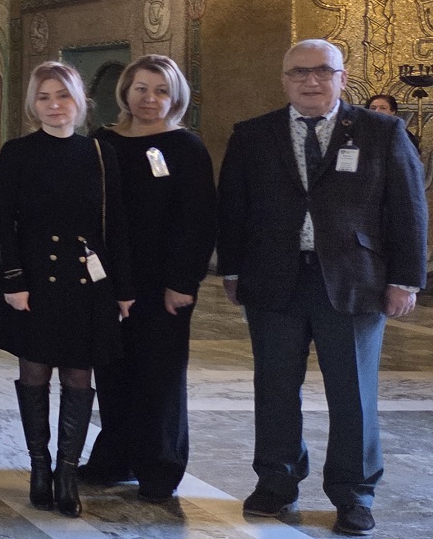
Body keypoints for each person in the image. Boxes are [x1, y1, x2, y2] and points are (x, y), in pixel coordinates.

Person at [219, 40, 426, 537]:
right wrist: (232, 270)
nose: (310, 81)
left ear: (342, 77)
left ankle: (354, 494)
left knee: (354, 393)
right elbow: (233, 208)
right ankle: (276, 481)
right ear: (284, 79)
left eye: (322, 71)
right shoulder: (253, 135)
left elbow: (408, 207)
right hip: (274, 279)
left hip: (355, 281)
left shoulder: (382, 131)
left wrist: (405, 279)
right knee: (274, 388)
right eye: (298, 72)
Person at [0, 60, 133, 519]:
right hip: (33, 281)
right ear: (34, 104)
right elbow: (2, 221)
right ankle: (39, 467)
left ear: (80, 101)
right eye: (44, 97)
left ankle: (67, 472)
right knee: (34, 372)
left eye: (63, 95)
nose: (54, 105)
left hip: (86, 283)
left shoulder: (101, 154)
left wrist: (123, 289)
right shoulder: (17, 152)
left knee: (78, 375)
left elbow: (116, 226)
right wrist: (12, 280)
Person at [80, 55, 215, 503]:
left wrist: (183, 281)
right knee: (113, 371)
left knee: (159, 375)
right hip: (109, 278)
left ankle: (160, 467)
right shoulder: (103, 141)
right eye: (141, 88)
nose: (150, 99)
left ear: (175, 97)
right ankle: (115, 457)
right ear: (126, 92)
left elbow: (198, 220)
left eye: (161, 90)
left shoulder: (186, 147)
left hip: (163, 282)